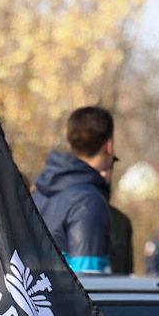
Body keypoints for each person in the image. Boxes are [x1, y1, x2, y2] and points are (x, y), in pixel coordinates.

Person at [34, 105, 115, 274]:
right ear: (109, 146)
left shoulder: (38, 194)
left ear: (70, 145)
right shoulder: (89, 202)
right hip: (65, 299)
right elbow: (89, 279)